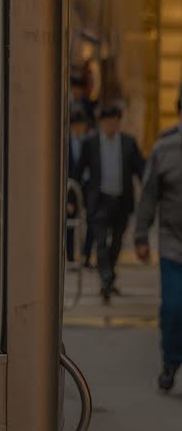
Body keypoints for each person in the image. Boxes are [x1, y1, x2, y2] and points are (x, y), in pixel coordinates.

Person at [133, 87, 182, 392]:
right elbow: (149, 196)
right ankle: (171, 362)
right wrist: (140, 235)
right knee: (174, 306)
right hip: (173, 244)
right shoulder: (165, 149)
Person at [73, 102, 145, 303]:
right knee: (101, 242)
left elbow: (141, 170)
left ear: (118, 122)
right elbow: (78, 171)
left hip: (121, 202)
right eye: (106, 122)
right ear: (101, 123)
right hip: (100, 201)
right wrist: (72, 198)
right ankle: (106, 277)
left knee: (117, 243)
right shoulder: (91, 144)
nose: (110, 126)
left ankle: (109, 274)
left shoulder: (128, 144)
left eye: (114, 122)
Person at [67, 109, 93, 266]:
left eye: (81, 125)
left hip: (88, 185)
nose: (78, 128)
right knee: (70, 221)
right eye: (75, 125)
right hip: (72, 185)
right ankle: (70, 256)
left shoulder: (90, 142)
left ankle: (87, 255)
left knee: (91, 221)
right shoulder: (66, 142)